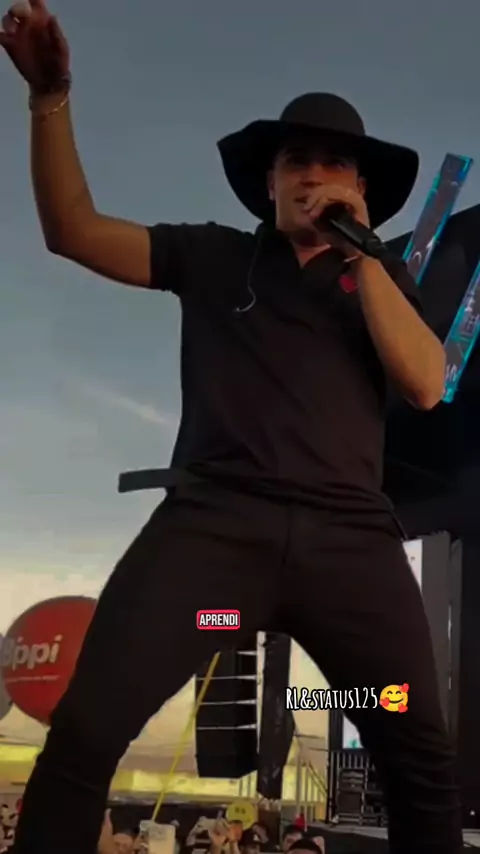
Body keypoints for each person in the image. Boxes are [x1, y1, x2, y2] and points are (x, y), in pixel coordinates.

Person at [0, 2, 461, 853]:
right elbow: (73, 232)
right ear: (268, 182)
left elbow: (427, 385)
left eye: (335, 163)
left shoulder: (381, 279)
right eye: (296, 161)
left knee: (422, 762)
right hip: (214, 537)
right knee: (88, 731)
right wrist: (49, 99)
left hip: (350, 547)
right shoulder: (214, 255)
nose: (313, 176)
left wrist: (365, 254)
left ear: (361, 191)